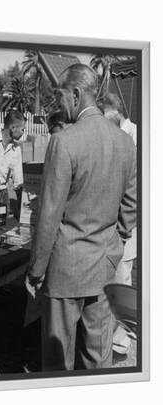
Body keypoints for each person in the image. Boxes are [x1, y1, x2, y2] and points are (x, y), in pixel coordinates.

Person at [25, 63, 136, 371]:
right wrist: (116, 247)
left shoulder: (65, 140)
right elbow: (130, 205)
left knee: (58, 359)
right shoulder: (124, 141)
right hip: (104, 266)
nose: (58, 104)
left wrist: (35, 271)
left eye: (59, 96)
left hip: (65, 270)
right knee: (97, 357)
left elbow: (49, 214)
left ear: (75, 94)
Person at [99, 93, 138, 358]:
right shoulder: (122, 135)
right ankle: (114, 337)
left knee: (122, 282)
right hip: (117, 227)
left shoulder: (133, 138)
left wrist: (122, 233)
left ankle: (123, 343)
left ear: (114, 114)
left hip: (126, 227)